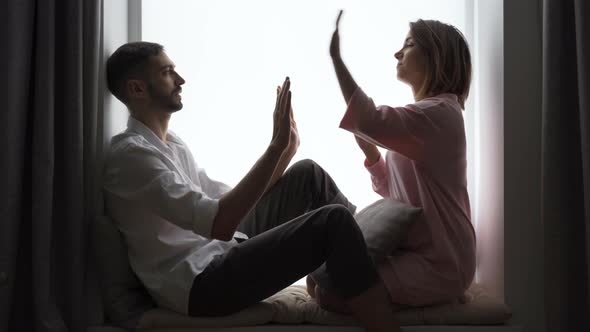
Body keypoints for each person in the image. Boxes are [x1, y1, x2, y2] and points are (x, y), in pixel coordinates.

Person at [102, 41, 400, 331]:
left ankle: (346, 279)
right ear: (137, 88)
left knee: (307, 174)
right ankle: (375, 310)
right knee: (333, 222)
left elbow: (230, 203)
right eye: (167, 73)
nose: (181, 80)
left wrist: (285, 152)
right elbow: (221, 223)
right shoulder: (132, 157)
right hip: (200, 286)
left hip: (219, 251)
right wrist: (274, 149)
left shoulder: (173, 144)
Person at [308, 10, 476, 314]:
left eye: (409, 44)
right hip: (417, 249)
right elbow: (401, 199)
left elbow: (369, 119)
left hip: (440, 261)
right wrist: (372, 156)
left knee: (330, 294)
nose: (398, 52)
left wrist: (336, 58)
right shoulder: (427, 115)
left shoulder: (440, 115)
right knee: (322, 278)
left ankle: (446, 289)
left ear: (435, 56)